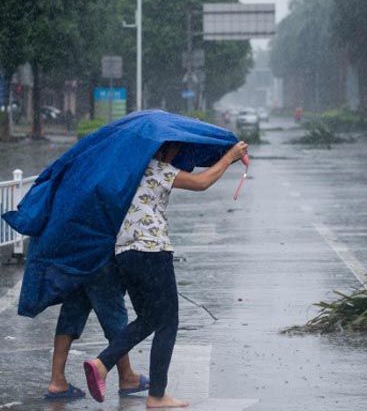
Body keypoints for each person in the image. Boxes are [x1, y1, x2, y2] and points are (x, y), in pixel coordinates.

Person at [83, 140, 248, 408]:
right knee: (168, 322)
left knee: (149, 318)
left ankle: (102, 364)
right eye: (175, 150)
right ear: (163, 149)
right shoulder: (157, 168)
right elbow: (202, 182)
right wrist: (230, 157)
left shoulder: (129, 171)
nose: (177, 155)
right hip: (152, 251)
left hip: (125, 252)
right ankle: (157, 395)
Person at [44, 259, 149, 400]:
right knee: (113, 314)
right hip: (101, 260)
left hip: (76, 261)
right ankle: (127, 376)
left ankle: (57, 380)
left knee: (70, 314)